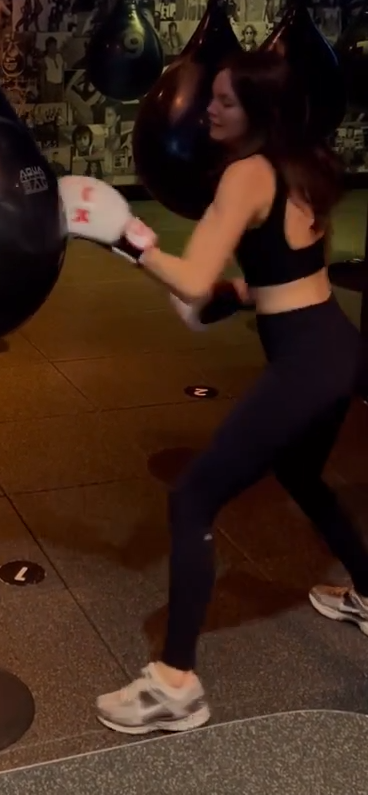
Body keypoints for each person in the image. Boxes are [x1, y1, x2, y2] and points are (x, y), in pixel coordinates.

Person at [95, 51, 368, 736]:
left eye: (224, 102)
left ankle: (175, 685)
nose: (207, 111)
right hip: (338, 345)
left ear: (259, 111)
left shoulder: (245, 174)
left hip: (304, 363)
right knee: (302, 476)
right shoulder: (303, 164)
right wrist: (234, 298)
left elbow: (190, 280)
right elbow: (291, 270)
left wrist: (130, 243)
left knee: (192, 498)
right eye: (211, 98)